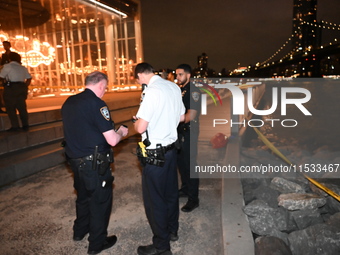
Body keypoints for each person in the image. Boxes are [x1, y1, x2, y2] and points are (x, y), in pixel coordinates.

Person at [61, 71, 128, 255]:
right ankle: (96, 244)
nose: (105, 91)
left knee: (83, 197)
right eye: (105, 88)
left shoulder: (69, 102)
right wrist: (122, 132)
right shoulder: (97, 104)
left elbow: (83, 129)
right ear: (100, 85)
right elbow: (112, 140)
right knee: (99, 202)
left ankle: (79, 231)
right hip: (94, 165)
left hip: (75, 161)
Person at [133, 62, 185, 255]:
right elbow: (180, 117)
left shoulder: (151, 91)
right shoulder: (172, 86)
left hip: (155, 154)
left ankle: (161, 246)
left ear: (140, 76)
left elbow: (140, 128)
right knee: (171, 195)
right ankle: (172, 231)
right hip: (171, 151)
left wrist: (138, 121)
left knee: (155, 201)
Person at [175, 64, 201, 212]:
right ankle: (185, 189)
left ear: (188, 75)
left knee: (190, 164)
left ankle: (193, 199)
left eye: (180, 75)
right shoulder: (182, 90)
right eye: (176, 74)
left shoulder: (193, 91)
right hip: (180, 132)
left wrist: (171, 118)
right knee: (181, 162)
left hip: (189, 131)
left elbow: (191, 115)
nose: (177, 77)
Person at [0, 52, 31, 131]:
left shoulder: (8, 66)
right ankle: (25, 125)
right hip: (21, 87)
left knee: (10, 107)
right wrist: (25, 86)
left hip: (11, 88)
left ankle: (15, 126)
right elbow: (29, 78)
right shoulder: (22, 68)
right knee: (22, 107)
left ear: (10, 58)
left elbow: (1, 76)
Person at [0, 41, 12, 113]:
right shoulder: (3, 55)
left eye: (6, 45)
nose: (5, 47)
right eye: (4, 46)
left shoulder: (12, 54)